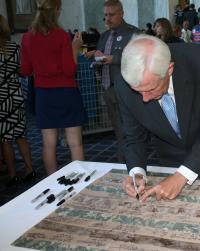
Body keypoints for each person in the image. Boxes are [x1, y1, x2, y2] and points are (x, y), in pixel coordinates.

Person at [115, 34, 200, 201]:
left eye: (150, 89)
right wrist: (137, 172)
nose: (145, 98)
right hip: (172, 158)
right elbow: (133, 135)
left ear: (169, 69)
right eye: (138, 91)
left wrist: (182, 176)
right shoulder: (125, 84)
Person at [20, 0, 86, 175]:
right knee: (75, 143)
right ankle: (79, 184)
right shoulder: (62, 35)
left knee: (48, 145)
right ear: (57, 10)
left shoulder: (27, 38)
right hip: (66, 92)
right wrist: (75, 48)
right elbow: (70, 70)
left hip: (43, 95)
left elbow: (25, 70)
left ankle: (51, 185)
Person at [85, 0, 139, 163]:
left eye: (111, 15)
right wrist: (97, 57)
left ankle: (132, 162)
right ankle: (125, 161)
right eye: (105, 15)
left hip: (127, 90)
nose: (107, 19)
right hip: (108, 89)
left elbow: (140, 58)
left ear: (122, 14)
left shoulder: (134, 34)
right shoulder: (104, 36)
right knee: (118, 129)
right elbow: (103, 60)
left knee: (132, 130)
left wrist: (113, 59)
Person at [0, 15, 35, 186]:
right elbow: (23, 72)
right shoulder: (14, 47)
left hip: (0, 100)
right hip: (15, 96)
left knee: (5, 140)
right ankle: (29, 169)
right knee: (21, 136)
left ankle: (13, 174)